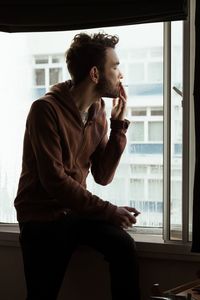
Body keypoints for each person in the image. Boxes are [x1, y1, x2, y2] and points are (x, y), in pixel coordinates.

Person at [14, 32, 141, 300]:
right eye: (115, 66)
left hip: (74, 213)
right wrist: (109, 211)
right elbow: (55, 181)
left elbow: (102, 176)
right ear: (95, 74)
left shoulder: (99, 112)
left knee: (123, 246)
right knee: (42, 295)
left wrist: (118, 126)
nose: (121, 75)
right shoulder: (44, 110)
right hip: (41, 219)